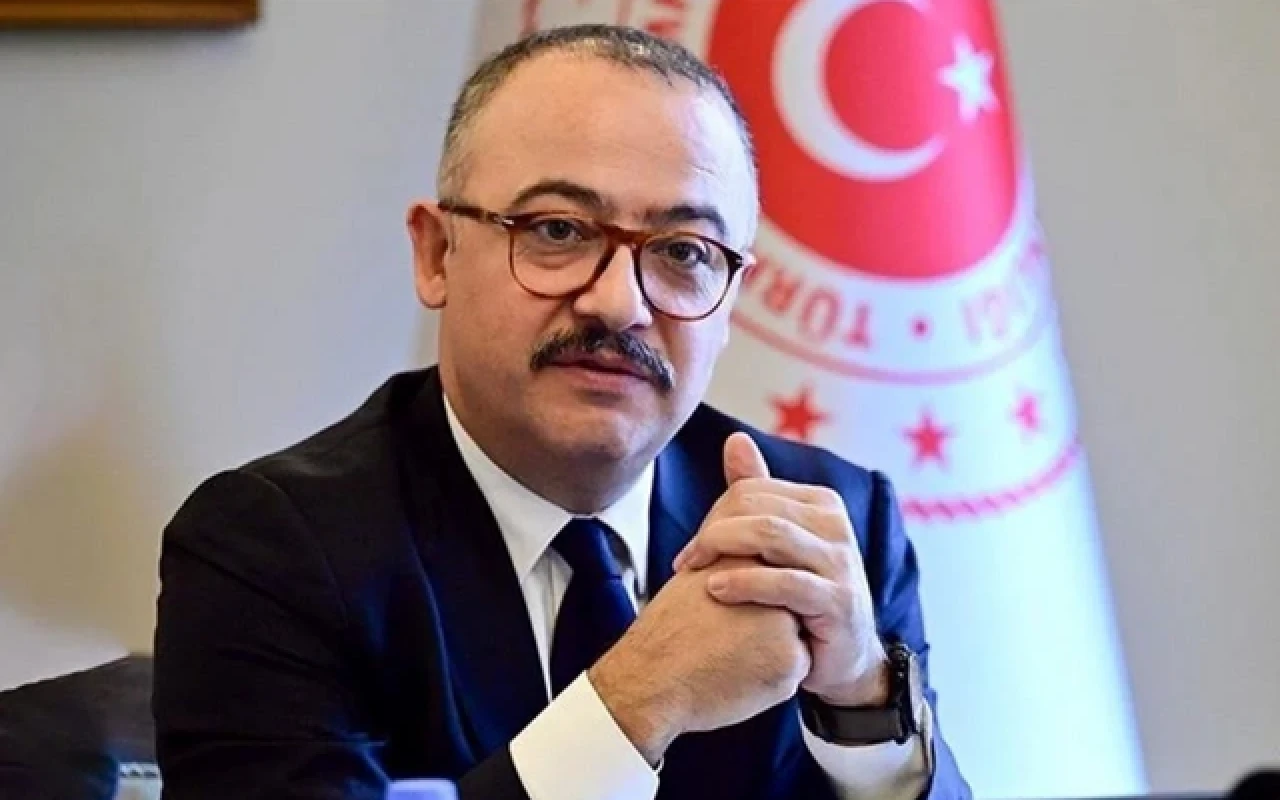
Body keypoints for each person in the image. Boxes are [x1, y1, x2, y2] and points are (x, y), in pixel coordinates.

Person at [152, 24, 970, 800]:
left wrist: (862, 700)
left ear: (730, 301)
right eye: (558, 230)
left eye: (684, 252)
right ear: (437, 255)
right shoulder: (270, 547)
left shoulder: (831, 525)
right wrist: (636, 700)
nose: (619, 304)